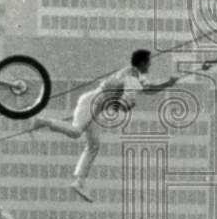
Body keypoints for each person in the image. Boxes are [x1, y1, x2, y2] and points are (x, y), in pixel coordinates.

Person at [32, 49, 178, 202]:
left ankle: (79, 182)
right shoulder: (130, 76)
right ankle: (43, 121)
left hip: (96, 106)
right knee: (75, 132)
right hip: (91, 102)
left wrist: (167, 83)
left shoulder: (132, 75)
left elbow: (146, 89)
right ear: (142, 63)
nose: (149, 65)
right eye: (149, 62)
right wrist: (125, 104)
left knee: (94, 145)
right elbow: (133, 94)